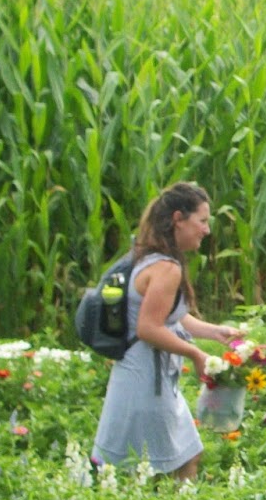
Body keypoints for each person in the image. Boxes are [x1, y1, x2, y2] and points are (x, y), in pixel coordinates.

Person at [92, 183, 242, 481]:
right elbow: (148, 328)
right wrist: (195, 353)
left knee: (185, 457)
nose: (206, 230)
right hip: (146, 381)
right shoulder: (165, 268)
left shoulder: (150, 258)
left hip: (147, 377)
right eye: (202, 221)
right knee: (150, 467)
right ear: (178, 219)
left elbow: (172, 317)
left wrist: (215, 332)